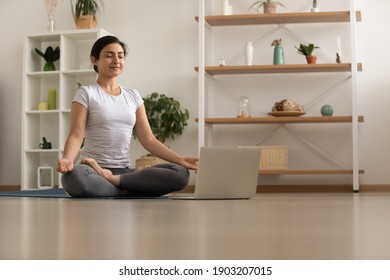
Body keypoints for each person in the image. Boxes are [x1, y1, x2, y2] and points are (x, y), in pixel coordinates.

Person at [57, 35, 198, 197]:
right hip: (91, 169)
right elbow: (76, 135)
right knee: (74, 177)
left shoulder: (133, 96)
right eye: (109, 55)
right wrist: (68, 159)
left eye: (121, 56)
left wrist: (181, 160)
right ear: (94, 60)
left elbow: (149, 140)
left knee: (180, 173)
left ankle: (115, 182)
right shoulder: (86, 93)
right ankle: (127, 187)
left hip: (123, 171)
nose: (116, 60)